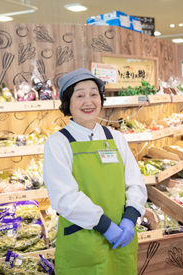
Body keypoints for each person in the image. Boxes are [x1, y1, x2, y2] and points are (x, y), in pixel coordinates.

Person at [43, 68, 148, 274]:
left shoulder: (115, 138)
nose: (88, 101)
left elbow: (135, 182)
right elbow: (64, 197)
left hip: (121, 241)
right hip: (82, 242)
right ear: (67, 103)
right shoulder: (57, 143)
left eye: (94, 94)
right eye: (80, 95)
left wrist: (130, 218)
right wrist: (106, 227)